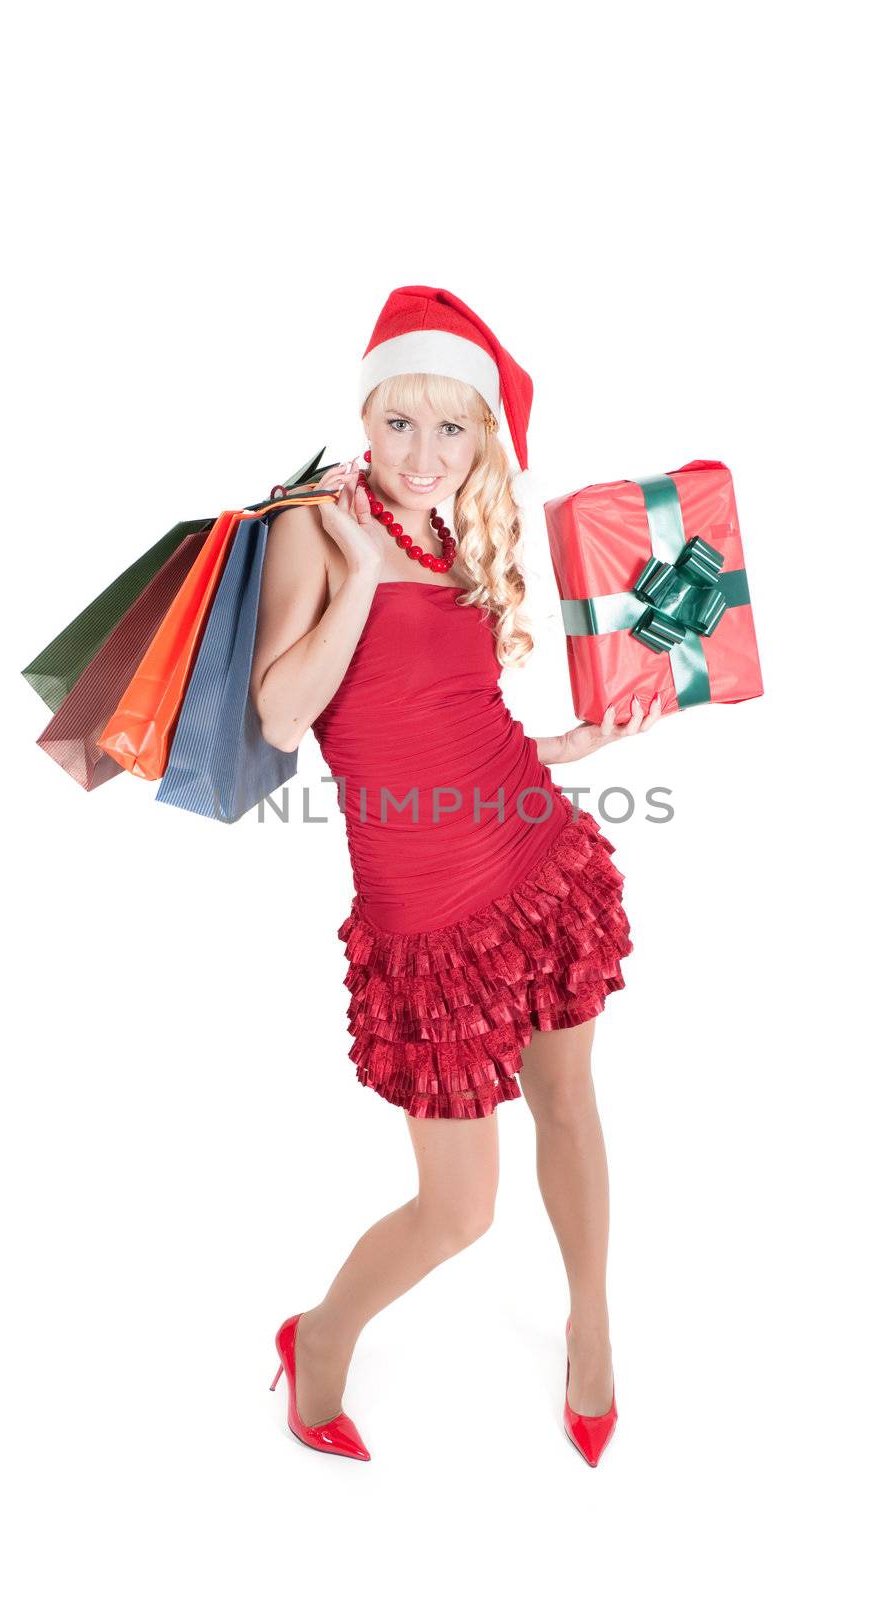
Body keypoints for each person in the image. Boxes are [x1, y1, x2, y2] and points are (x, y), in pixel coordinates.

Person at [251, 285, 662, 1466]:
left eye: (451, 430)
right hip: (424, 904)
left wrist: (564, 750)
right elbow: (284, 718)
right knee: (459, 1207)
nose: (423, 455)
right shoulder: (317, 526)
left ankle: (591, 1328)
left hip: (530, 853)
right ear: (366, 418)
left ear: (482, 436)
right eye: (399, 424)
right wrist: (363, 574)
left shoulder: (459, 531)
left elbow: (446, 716)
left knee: (568, 1100)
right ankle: (319, 1338)